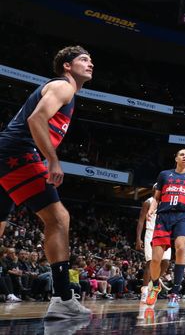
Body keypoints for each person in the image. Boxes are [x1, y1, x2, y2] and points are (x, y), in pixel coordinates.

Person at [0, 46, 93, 320]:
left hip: (6, 153)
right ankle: (63, 297)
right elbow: (35, 118)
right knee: (59, 218)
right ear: (67, 65)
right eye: (83, 60)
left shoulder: (67, 93)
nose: (90, 64)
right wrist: (52, 161)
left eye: (91, 61)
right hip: (17, 152)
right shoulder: (63, 87)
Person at [145, 148, 185, 308]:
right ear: (176, 158)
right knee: (155, 260)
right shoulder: (164, 174)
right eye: (182, 154)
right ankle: (154, 285)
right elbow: (156, 197)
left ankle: (175, 293)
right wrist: (151, 210)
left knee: (181, 249)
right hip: (163, 217)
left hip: (181, 217)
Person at [135, 184, 171, 302]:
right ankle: (145, 291)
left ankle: (153, 284)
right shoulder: (148, 202)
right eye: (157, 189)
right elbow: (141, 221)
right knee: (150, 263)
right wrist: (138, 238)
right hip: (150, 233)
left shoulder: (167, 203)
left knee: (165, 262)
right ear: (153, 190)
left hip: (164, 233)